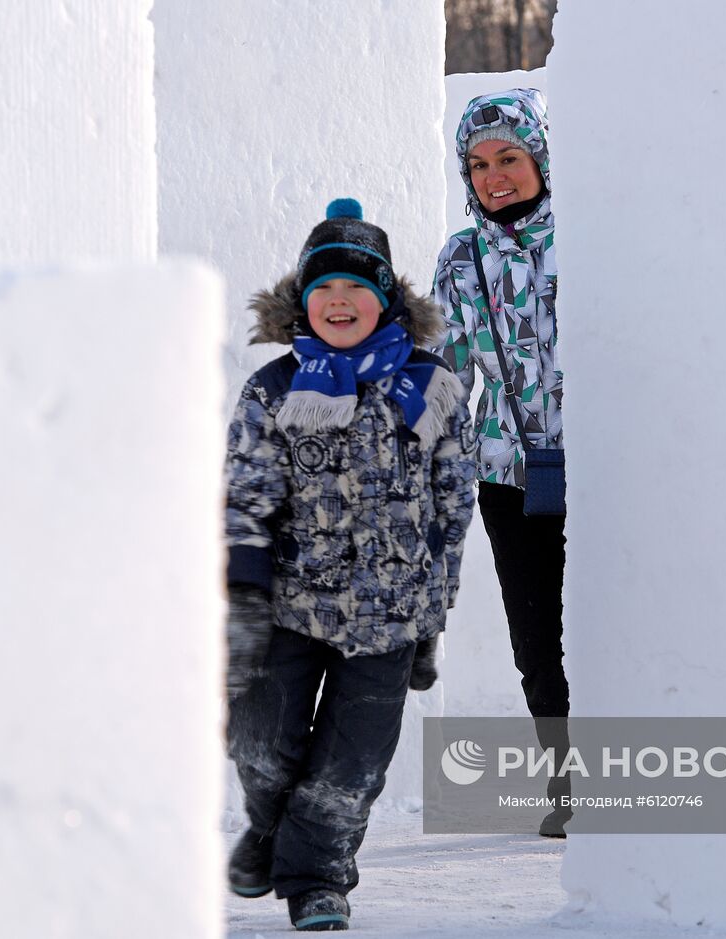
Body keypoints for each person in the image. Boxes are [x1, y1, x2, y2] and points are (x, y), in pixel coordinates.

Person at [223, 198, 475, 931]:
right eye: (324, 288)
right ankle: (272, 828)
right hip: (289, 607)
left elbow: (451, 504)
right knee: (257, 742)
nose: (340, 300)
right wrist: (241, 595)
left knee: (350, 767)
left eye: (357, 287)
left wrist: (434, 612)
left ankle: (316, 879)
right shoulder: (273, 390)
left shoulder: (429, 386)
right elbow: (245, 496)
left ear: (387, 298)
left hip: (391, 613)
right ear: (302, 301)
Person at [431, 88, 571, 837]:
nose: (494, 178)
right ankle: (568, 784)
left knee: (612, 622)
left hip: (606, 462)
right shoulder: (460, 258)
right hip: (509, 473)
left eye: (509, 158)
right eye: (478, 164)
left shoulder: (589, 234)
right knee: (536, 633)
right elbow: (446, 374)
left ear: (541, 156)